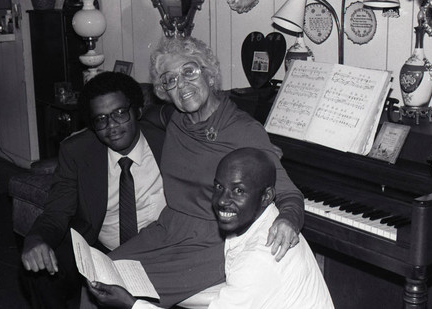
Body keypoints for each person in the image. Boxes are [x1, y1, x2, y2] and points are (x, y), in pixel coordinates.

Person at [106, 36, 305, 308]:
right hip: (168, 229)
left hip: (213, 241)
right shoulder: (175, 119)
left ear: (210, 76)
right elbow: (148, 116)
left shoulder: (244, 130)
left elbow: (288, 192)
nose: (182, 85)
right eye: (170, 80)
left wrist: (289, 220)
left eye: (189, 72)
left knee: (120, 290)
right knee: (99, 273)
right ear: (165, 91)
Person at [86, 148, 333, 309]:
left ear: (267, 196)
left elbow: (249, 275)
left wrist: (131, 305)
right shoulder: (261, 220)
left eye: (238, 191)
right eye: (218, 187)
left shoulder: (261, 258)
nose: (223, 201)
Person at [20, 71, 167, 308]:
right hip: (99, 250)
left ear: (137, 110)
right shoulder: (77, 152)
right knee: (37, 270)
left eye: (120, 113)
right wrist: (35, 239)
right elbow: (57, 212)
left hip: (157, 248)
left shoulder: (166, 143)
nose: (112, 126)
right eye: (101, 119)